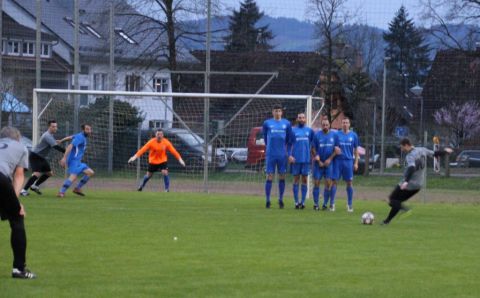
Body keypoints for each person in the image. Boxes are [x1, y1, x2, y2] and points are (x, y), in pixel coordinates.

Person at [382, 138, 452, 225]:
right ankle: (387, 221)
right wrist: (445, 152)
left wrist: (406, 181)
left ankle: (406, 210)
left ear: (406, 145)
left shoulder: (410, 156)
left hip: (409, 184)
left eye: (402, 147)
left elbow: (411, 168)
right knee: (397, 202)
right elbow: (435, 153)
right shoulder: (422, 150)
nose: (401, 149)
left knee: (392, 200)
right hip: (418, 185)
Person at [0, 127, 36, 279]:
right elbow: (19, 176)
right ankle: (19, 269)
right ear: (17, 138)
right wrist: (15, 203)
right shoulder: (21, 147)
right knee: (17, 218)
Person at [20, 120, 72, 196]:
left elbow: (51, 143)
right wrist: (67, 152)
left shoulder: (50, 135)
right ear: (49, 127)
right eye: (53, 126)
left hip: (41, 157)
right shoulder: (47, 135)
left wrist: (56, 141)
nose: (55, 128)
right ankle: (23, 190)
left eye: (56, 126)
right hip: (35, 156)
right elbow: (56, 147)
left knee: (49, 173)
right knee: (37, 173)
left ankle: (35, 186)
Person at [263, 104, 293, 209]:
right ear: (272, 112)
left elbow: (289, 141)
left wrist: (288, 153)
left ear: (281, 112)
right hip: (271, 154)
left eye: (279, 111)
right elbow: (265, 138)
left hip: (282, 155)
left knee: (282, 176)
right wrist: (268, 149)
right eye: (275, 111)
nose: (277, 113)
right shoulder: (267, 123)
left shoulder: (287, 124)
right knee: (269, 176)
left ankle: (280, 199)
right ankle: (268, 200)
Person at [57, 124, 94, 198]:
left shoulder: (80, 135)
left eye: (90, 129)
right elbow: (70, 146)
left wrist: (61, 140)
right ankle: (61, 192)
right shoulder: (80, 137)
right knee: (73, 176)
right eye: (87, 129)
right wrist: (64, 158)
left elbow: (70, 137)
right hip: (73, 160)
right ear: (83, 130)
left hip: (78, 161)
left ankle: (77, 188)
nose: (89, 131)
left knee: (90, 172)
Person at [333, 117, 359, 212]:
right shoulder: (337, 135)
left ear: (349, 124)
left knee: (349, 182)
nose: (345, 124)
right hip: (338, 161)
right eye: (343, 122)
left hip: (348, 161)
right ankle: (332, 204)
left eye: (346, 122)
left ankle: (349, 204)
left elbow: (356, 151)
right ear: (341, 124)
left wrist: (356, 163)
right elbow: (334, 147)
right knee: (334, 181)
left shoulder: (354, 135)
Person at [289, 113, 313, 209]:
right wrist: (290, 155)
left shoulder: (310, 131)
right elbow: (288, 144)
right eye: (300, 117)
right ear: (297, 119)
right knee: (295, 180)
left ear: (305, 119)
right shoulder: (292, 130)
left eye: (303, 117)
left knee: (304, 180)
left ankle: (302, 202)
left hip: (306, 159)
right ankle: (296, 202)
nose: (301, 119)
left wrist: (314, 155)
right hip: (295, 160)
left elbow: (313, 144)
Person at [312, 118, 337, 211]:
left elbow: (336, 149)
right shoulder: (317, 135)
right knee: (317, 183)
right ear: (321, 125)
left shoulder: (334, 135)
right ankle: (315, 204)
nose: (325, 126)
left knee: (328, 183)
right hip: (318, 164)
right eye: (323, 125)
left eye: (326, 125)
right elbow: (313, 148)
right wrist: (317, 158)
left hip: (329, 164)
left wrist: (329, 159)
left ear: (329, 125)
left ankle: (325, 204)